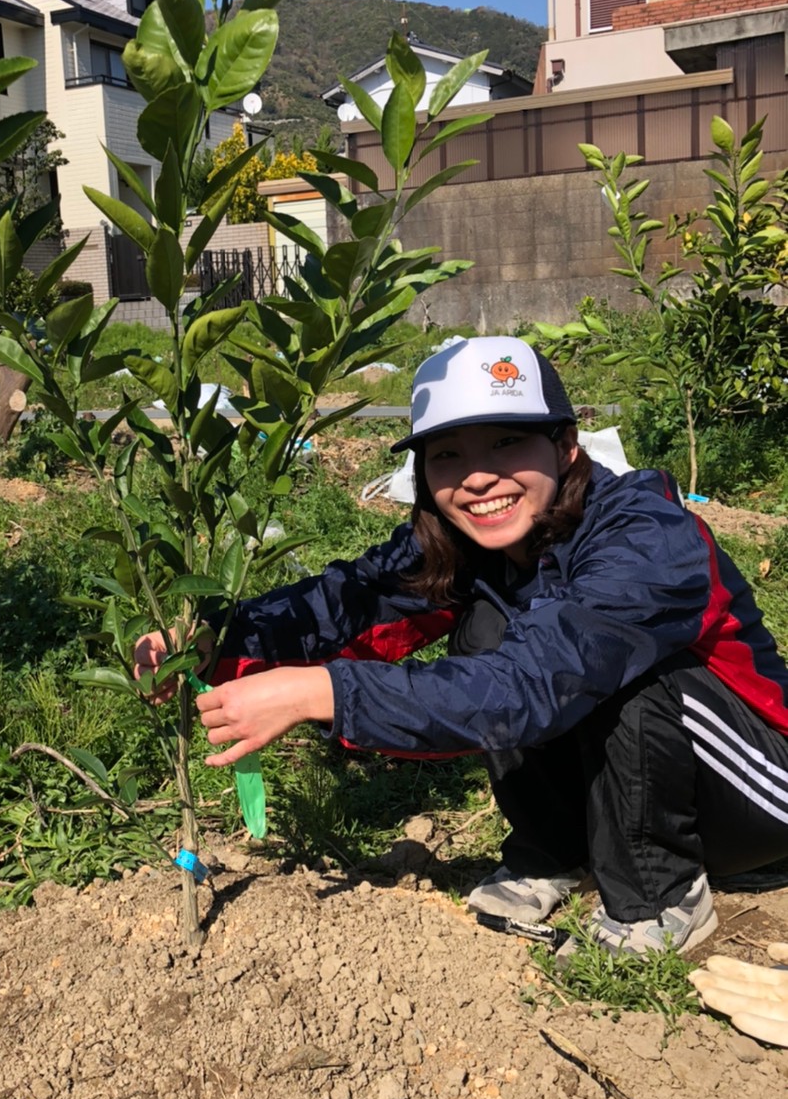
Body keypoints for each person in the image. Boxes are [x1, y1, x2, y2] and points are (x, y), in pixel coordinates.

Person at [135, 336, 788, 956]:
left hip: (754, 797)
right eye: (448, 454)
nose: (477, 477)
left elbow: (531, 689)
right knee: (485, 628)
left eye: (507, 443)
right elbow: (349, 602)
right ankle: (555, 852)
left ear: (564, 447)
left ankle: (660, 897)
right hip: (655, 778)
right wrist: (212, 640)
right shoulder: (471, 542)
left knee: (623, 674)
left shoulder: (644, 540)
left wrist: (322, 691)